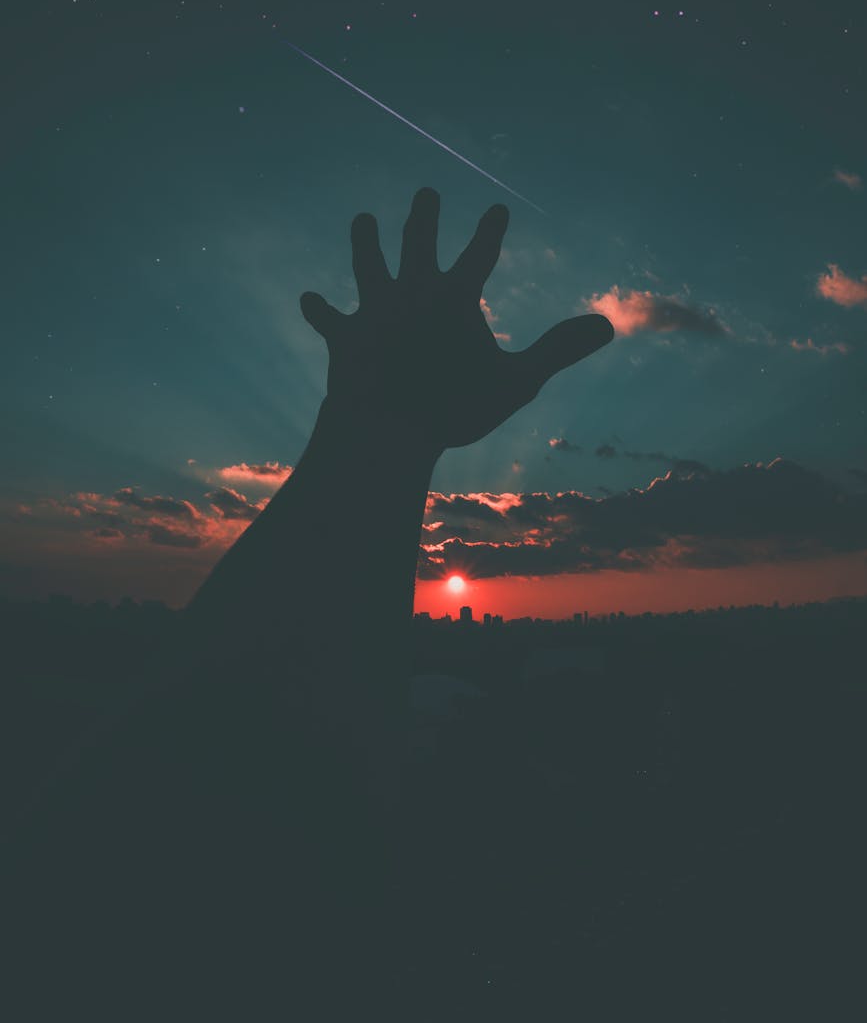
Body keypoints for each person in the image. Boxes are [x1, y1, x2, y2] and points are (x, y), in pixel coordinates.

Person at [6, 188, 613, 1019]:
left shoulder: (72, 928)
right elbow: (221, 775)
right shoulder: (289, 931)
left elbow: (145, 790)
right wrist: (386, 433)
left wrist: (375, 431)